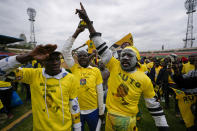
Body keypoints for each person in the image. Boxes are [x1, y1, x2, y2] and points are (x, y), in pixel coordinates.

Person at [75, 3, 169, 131]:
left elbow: (153, 105)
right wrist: (88, 22)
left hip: (128, 122)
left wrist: (163, 127)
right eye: (123, 55)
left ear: (137, 60)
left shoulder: (144, 78)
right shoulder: (114, 65)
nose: (125, 57)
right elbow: (99, 44)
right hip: (109, 119)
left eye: (129, 56)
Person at [0, 44, 81, 131]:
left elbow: (74, 104)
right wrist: (29, 56)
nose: (55, 62)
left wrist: (77, 127)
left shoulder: (70, 78)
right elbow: (1, 70)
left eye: (57, 59)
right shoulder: (33, 75)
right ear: (42, 62)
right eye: (50, 59)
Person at [62, 24, 104, 131]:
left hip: (93, 110)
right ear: (77, 58)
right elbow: (65, 51)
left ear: (88, 57)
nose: (82, 57)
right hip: (76, 110)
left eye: (84, 55)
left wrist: (101, 111)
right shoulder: (74, 67)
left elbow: (100, 92)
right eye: (79, 56)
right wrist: (76, 33)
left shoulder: (95, 70)